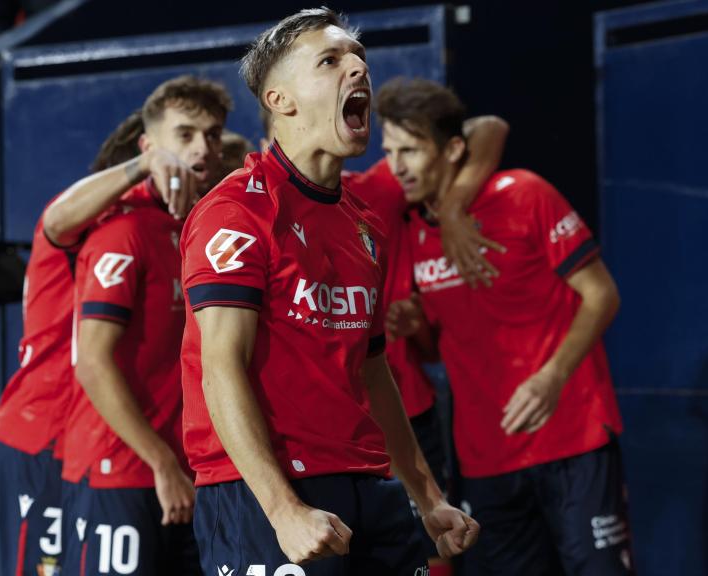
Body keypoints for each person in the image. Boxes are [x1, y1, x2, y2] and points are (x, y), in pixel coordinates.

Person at [180, 8, 478, 575]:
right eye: (331, 60)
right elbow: (219, 368)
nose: (358, 69)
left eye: (359, 58)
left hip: (368, 484)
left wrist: (428, 496)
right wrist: (283, 510)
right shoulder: (235, 211)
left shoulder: (363, 222)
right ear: (280, 100)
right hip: (268, 491)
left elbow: (373, 369)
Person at [379, 77, 632, 575]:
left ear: (453, 150)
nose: (396, 166)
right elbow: (436, 349)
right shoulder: (411, 227)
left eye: (410, 150)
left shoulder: (523, 195)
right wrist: (414, 327)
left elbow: (603, 294)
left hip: (572, 437)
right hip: (485, 458)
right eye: (389, 150)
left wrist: (553, 374)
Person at [0, 102, 189, 576]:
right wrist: (141, 166)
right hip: (44, 428)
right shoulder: (89, 228)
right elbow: (58, 218)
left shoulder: (157, 234)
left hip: (88, 431)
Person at [59, 75, 230, 576]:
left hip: (186, 470)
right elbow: (91, 361)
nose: (202, 147)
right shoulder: (124, 230)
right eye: (185, 134)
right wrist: (160, 462)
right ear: (148, 145)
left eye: (213, 134)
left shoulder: (206, 227)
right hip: (124, 470)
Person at [345, 113, 508, 573]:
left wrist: (454, 205)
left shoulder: (373, 190)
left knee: (434, 550)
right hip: (328, 432)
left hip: (405, 411)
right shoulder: (253, 215)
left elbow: (489, 128)